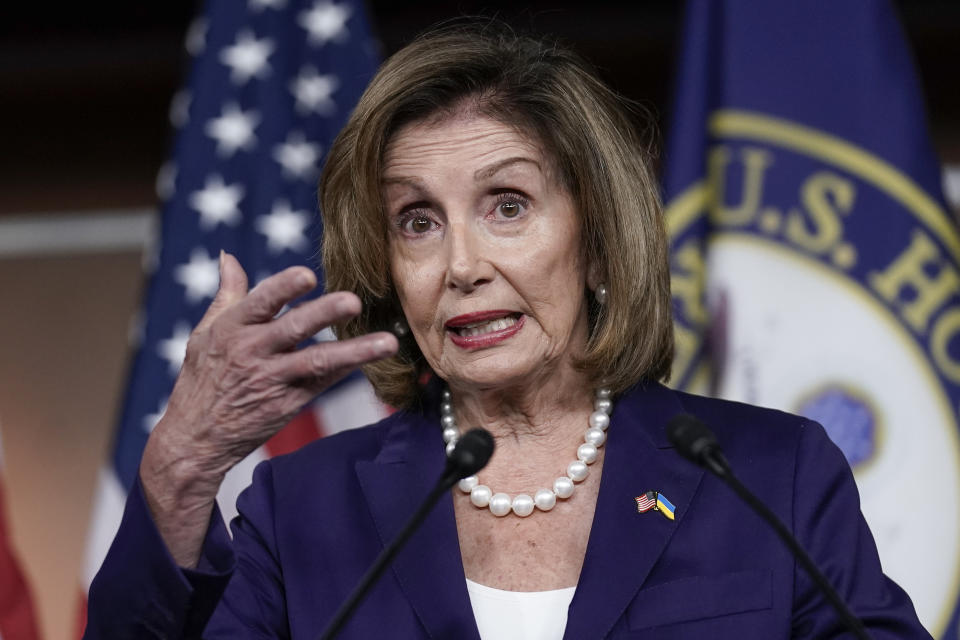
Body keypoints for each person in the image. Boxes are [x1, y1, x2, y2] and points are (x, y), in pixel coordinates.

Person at [84, 23, 931, 639]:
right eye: (417, 221)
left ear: (597, 244)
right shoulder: (303, 510)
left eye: (508, 206)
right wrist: (179, 465)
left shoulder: (771, 478)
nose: (461, 264)